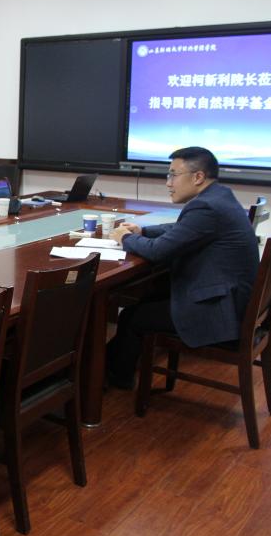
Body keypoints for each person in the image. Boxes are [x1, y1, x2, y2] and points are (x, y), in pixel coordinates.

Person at [105, 146, 259, 389]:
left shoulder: (206, 207)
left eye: (173, 175)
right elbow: (182, 228)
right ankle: (108, 365)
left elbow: (158, 252)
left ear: (198, 177)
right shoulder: (219, 196)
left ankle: (114, 377)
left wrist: (125, 238)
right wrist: (143, 230)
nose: (168, 183)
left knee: (132, 316)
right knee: (148, 298)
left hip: (219, 310)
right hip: (232, 300)